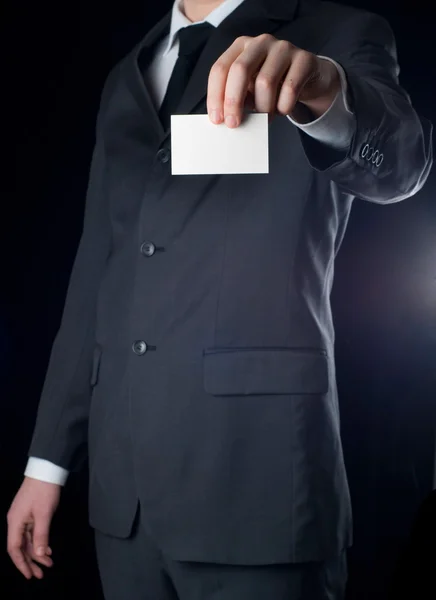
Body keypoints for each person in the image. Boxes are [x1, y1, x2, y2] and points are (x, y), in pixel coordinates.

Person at [7, 0, 433, 598]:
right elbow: (95, 277)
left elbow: (404, 165)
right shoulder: (127, 74)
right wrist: (45, 465)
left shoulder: (340, 33)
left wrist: (325, 91)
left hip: (258, 489)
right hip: (123, 499)